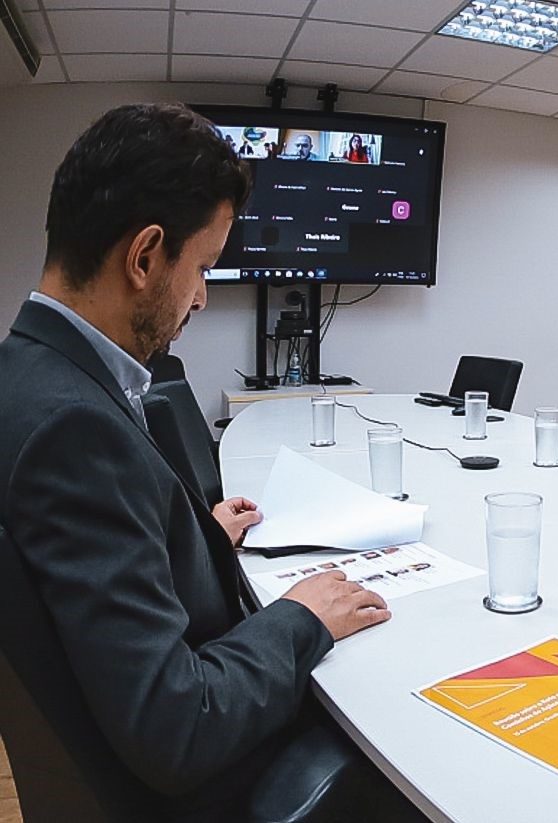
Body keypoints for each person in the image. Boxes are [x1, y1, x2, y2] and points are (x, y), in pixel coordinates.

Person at [0, 104, 406, 820]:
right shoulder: (74, 428)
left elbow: (92, 578)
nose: (201, 298)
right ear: (146, 255)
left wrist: (191, 534)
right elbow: (176, 726)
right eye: (204, 268)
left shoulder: (28, 377)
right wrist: (298, 616)